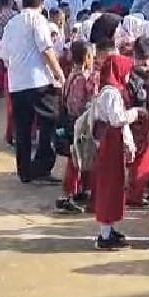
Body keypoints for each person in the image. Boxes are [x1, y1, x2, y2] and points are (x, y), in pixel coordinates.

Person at [0, 0, 66, 185]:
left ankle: (25, 171)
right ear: (42, 4)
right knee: (50, 119)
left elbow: (4, 55)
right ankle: (43, 164)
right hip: (39, 82)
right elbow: (46, 49)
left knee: (23, 128)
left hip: (17, 83)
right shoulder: (38, 20)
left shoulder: (13, 23)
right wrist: (59, 74)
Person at [92, 51, 140, 251]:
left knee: (113, 185)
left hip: (112, 142)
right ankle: (105, 233)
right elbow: (117, 120)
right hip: (110, 143)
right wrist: (136, 113)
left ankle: (109, 229)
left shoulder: (109, 90)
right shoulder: (111, 93)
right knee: (109, 186)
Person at [56, 40, 98, 215]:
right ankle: (68, 196)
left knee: (79, 158)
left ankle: (79, 190)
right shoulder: (82, 79)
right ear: (87, 57)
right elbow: (78, 104)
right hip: (79, 122)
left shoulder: (70, 76)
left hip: (71, 120)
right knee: (77, 160)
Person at [126, 36, 149, 208]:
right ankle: (136, 195)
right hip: (147, 121)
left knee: (132, 156)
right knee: (144, 159)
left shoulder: (129, 70)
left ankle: (132, 191)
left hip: (130, 118)